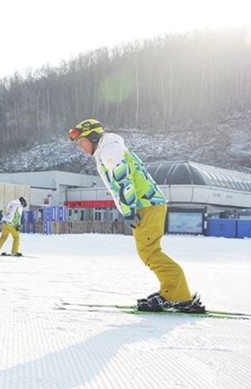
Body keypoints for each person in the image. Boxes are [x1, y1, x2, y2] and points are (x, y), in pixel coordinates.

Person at [68, 118, 205, 313]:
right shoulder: (109, 149)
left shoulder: (110, 151)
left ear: (92, 137)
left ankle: (178, 294)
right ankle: (172, 290)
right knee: (149, 252)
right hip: (149, 204)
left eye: (81, 141)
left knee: (150, 252)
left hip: (146, 205)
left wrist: (129, 210)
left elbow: (125, 180)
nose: (81, 147)